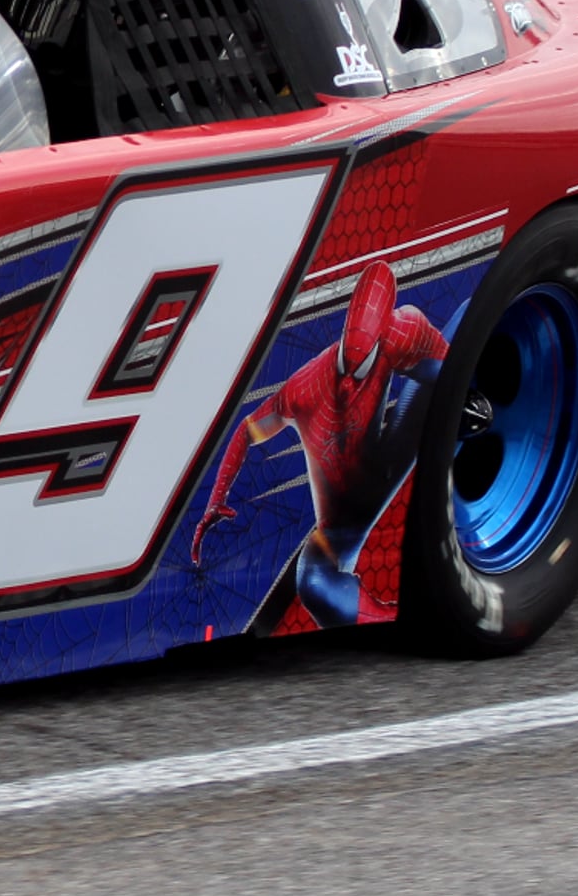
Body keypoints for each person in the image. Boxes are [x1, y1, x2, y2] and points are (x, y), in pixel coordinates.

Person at [192, 260, 447, 627]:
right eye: (347, 366)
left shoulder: (404, 329)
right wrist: (216, 500)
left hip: (388, 454)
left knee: (460, 334)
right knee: (312, 581)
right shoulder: (304, 387)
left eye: (359, 371)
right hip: (340, 520)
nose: (347, 385)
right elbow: (248, 430)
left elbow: (451, 362)